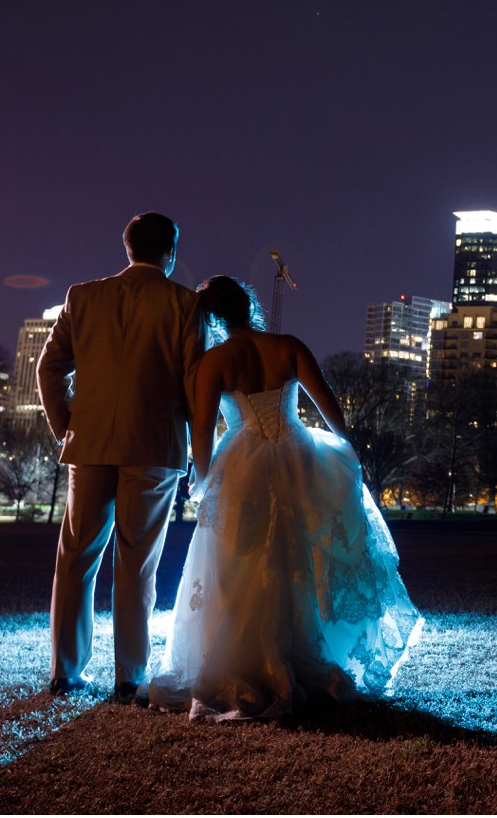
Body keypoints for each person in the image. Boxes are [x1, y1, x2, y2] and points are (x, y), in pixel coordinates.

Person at [149, 276, 422, 720]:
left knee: (240, 562)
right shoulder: (289, 345)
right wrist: (345, 448)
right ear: (247, 305)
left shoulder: (214, 361)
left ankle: (244, 658)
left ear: (210, 318)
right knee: (301, 559)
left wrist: (202, 478)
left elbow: (201, 429)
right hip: (299, 456)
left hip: (242, 462)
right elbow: (328, 403)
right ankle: (298, 652)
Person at [38, 212, 205, 700]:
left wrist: (66, 426)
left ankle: (65, 671)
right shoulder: (184, 304)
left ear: (126, 247)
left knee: (75, 559)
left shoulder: (82, 296)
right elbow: (195, 382)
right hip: (153, 446)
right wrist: (199, 449)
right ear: (171, 251)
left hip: (88, 444)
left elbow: (49, 369)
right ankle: (129, 676)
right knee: (137, 564)